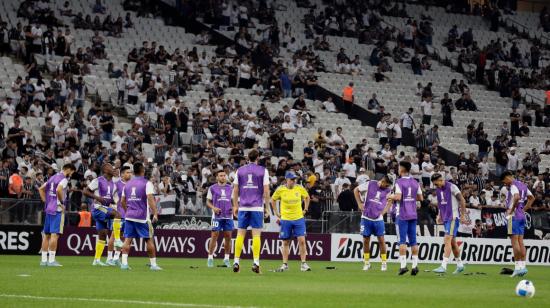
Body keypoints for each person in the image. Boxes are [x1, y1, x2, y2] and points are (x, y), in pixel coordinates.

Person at [232, 150, 270, 274]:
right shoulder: (263, 170)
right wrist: (267, 208)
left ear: (247, 157)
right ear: (258, 157)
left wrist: (235, 206)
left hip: (243, 206)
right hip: (257, 207)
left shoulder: (240, 170)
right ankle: (256, 262)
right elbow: (266, 191)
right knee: (256, 236)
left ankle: (236, 261)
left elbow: (236, 190)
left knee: (240, 235)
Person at [120, 162, 161, 270]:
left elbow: (122, 201)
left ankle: (124, 264)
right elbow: (150, 199)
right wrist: (155, 213)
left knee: (127, 240)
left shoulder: (127, 184)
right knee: (148, 240)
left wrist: (127, 210)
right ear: (143, 170)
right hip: (142, 217)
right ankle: (153, 265)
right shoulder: (147, 183)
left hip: (129, 216)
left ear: (134, 172)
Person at [271, 171, 311, 272]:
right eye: (292, 179)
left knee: (302, 241)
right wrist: (276, 212)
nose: (294, 181)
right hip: (286, 219)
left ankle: (303, 264)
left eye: (295, 179)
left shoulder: (299, 188)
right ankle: (285, 264)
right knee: (285, 242)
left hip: (298, 218)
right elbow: (273, 200)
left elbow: (307, 197)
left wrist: (305, 209)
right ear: (287, 180)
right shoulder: (280, 189)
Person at [38, 164, 76, 266]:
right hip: (57, 209)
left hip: (49, 209)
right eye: (72, 172)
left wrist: (46, 202)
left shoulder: (52, 177)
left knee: (46, 235)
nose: (71, 174)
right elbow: (59, 190)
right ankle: (51, 260)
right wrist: (62, 202)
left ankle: (43, 261)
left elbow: (41, 189)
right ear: (68, 170)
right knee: (55, 235)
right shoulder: (63, 179)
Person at [389, 161, 423, 276]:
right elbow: (420, 197)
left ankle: (403, 266)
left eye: (399, 168)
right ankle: (415, 266)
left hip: (402, 214)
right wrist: (411, 198)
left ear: (402, 169)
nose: (398, 170)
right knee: (413, 241)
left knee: (402, 241)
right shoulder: (415, 182)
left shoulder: (399, 182)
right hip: (413, 214)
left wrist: (390, 196)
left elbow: (398, 197)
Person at [84, 163, 121, 266]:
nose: (113, 168)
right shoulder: (98, 180)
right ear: (105, 170)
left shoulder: (113, 184)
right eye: (110, 167)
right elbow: (85, 191)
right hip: (97, 208)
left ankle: (96, 260)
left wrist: (112, 201)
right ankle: (117, 240)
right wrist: (97, 198)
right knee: (117, 215)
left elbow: (108, 198)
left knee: (103, 235)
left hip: (103, 208)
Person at [353, 176, 393, 271]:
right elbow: (356, 190)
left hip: (378, 219)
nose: (384, 185)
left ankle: (384, 263)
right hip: (366, 217)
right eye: (384, 183)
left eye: (386, 185)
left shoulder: (388, 190)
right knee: (366, 240)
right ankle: (367, 262)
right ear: (382, 180)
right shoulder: (371, 183)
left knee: (381, 240)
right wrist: (359, 203)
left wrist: (383, 212)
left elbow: (390, 202)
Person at [431, 174, 467, 274]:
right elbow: (440, 203)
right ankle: (460, 265)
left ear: (441, 180)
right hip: (446, 218)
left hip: (453, 217)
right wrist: (439, 215)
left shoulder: (452, 187)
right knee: (453, 242)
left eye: (436, 184)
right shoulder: (438, 190)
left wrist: (463, 215)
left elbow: (462, 200)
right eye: (434, 185)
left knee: (447, 239)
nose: (436, 186)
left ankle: (443, 266)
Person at [501, 171, 535, 277]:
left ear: (507, 178)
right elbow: (532, 198)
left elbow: (516, 197)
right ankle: (523, 267)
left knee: (514, 242)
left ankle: (517, 268)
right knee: (521, 242)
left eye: (504, 181)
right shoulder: (523, 185)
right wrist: (524, 209)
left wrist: (511, 210)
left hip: (513, 217)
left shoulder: (513, 185)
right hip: (521, 216)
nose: (505, 183)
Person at [206, 170, 233, 268]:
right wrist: (214, 208)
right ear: (217, 177)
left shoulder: (231, 188)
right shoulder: (212, 188)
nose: (223, 177)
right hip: (217, 216)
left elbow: (234, 201)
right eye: (220, 176)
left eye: (224, 175)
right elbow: (208, 202)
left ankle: (226, 258)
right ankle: (210, 258)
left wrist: (233, 208)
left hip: (228, 216)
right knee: (214, 235)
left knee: (228, 236)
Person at [106, 165, 132, 266]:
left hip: (129, 214)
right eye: (127, 172)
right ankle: (109, 258)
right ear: (122, 175)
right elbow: (109, 196)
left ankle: (116, 257)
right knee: (113, 236)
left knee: (123, 238)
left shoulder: (132, 184)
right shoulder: (116, 184)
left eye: (130, 173)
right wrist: (113, 206)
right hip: (119, 214)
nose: (129, 174)